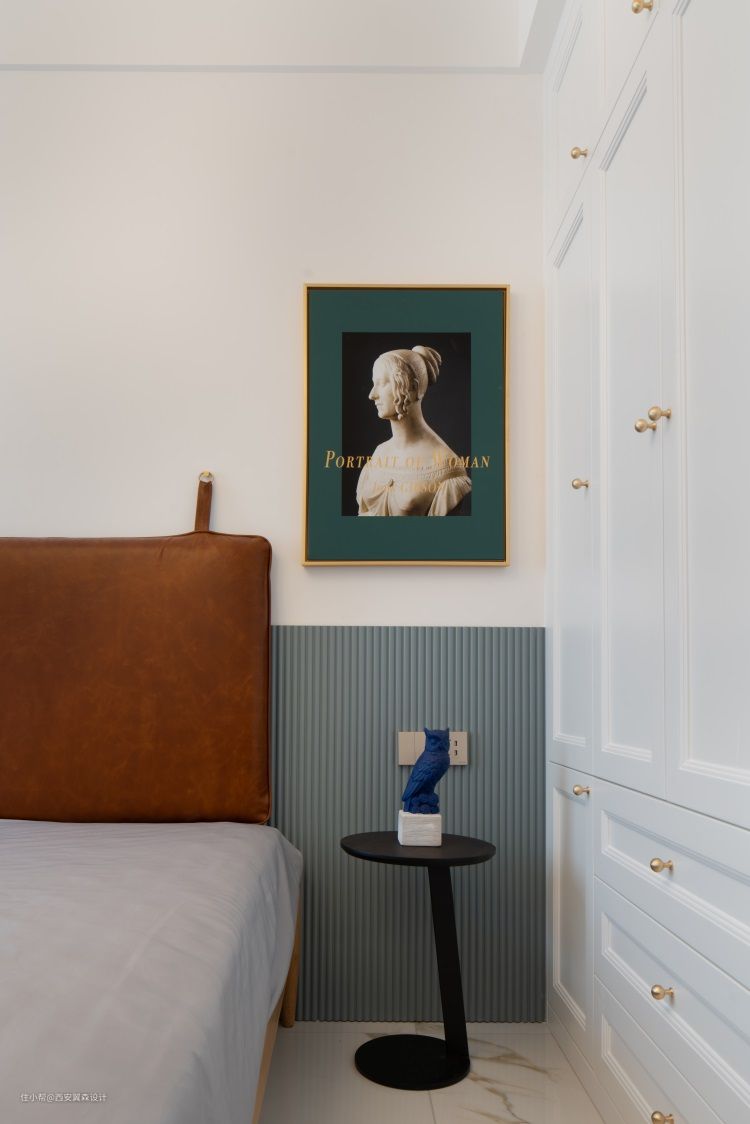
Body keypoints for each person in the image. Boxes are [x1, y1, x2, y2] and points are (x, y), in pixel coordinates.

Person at [355, 345, 471, 517]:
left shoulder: (446, 467)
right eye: (374, 384)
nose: (372, 394)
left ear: (413, 388)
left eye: (383, 383)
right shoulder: (379, 453)